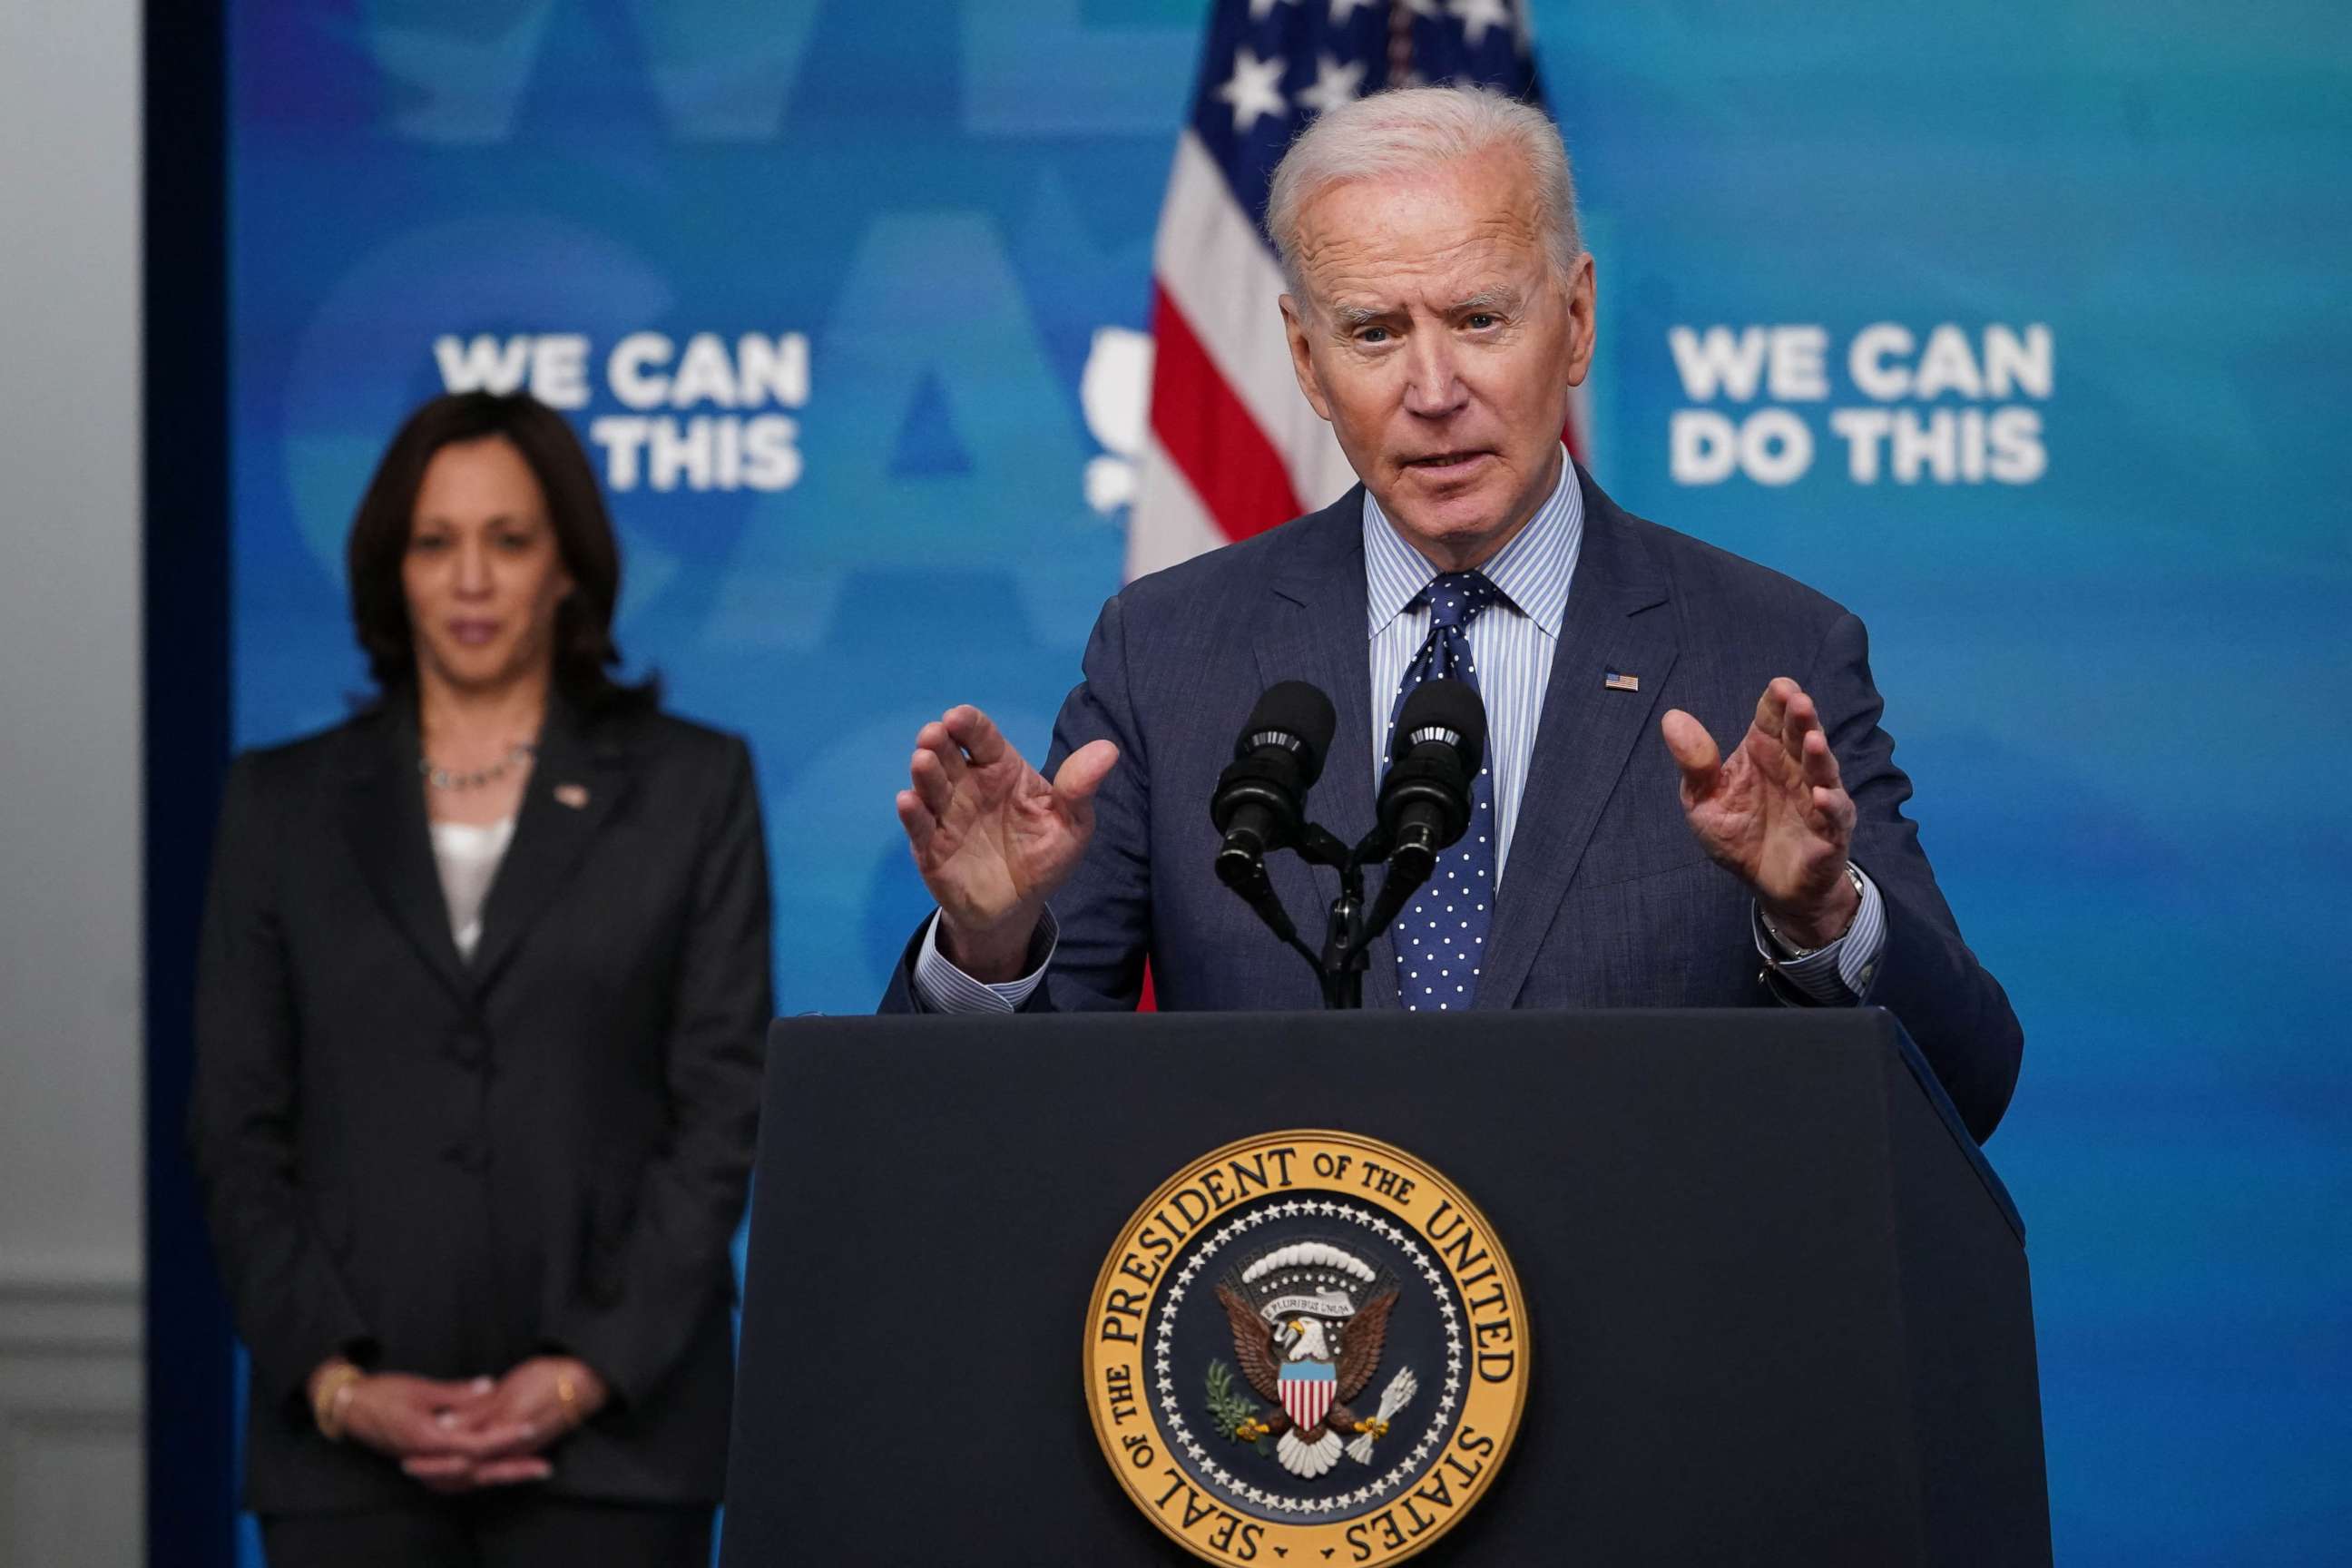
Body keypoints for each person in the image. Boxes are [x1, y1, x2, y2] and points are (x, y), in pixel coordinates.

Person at [884, 87, 2022, 1142]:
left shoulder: (1767, 652)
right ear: (1306, 360)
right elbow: (989, 1128)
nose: (1433, 392)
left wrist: (1823, 919)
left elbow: (1966, 1083)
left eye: (1480, 319)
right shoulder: (1168, 653)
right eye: (1375, 332)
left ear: (1575, 322)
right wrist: (988, 943)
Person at [190, 391, 770, 1564]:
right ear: (388, 571)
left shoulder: (690, 788)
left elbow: (723, 1112)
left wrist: (582, 1375)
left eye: (508, 540)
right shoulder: (280, 804)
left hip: (619, 1448)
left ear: (568, 567)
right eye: (433, 542)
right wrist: (341, 1384)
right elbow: (235, 1126)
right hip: (342, 1456)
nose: (469, 580)